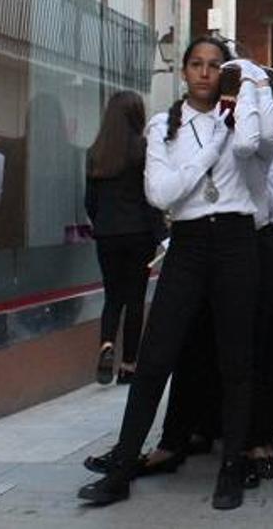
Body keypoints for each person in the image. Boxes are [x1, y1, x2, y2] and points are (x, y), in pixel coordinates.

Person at [77, 36, 263, 511]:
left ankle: (231, 471)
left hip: (238, 240)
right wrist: (209, 149)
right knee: (155, 358)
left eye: (214, 65)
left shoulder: (244, 122)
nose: (205, 72)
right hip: (190, 242)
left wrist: (249, 105)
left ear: (226, 72)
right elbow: (163, 195)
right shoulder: (163, 126)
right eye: (196, 64)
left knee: (237, 360)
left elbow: (267, 166)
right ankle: (120, 470)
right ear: (183, 72)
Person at [85, 91, 163, 386]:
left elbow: (89, 201)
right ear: (136, 115)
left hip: (107, 234)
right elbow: (150, 198)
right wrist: (162, 235)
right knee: (135, 299)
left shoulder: (95, 152)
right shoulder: (142, 150)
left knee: (112, 296)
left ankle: (106, 344)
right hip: (139, 233)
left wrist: (102, 224)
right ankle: (129, 365)